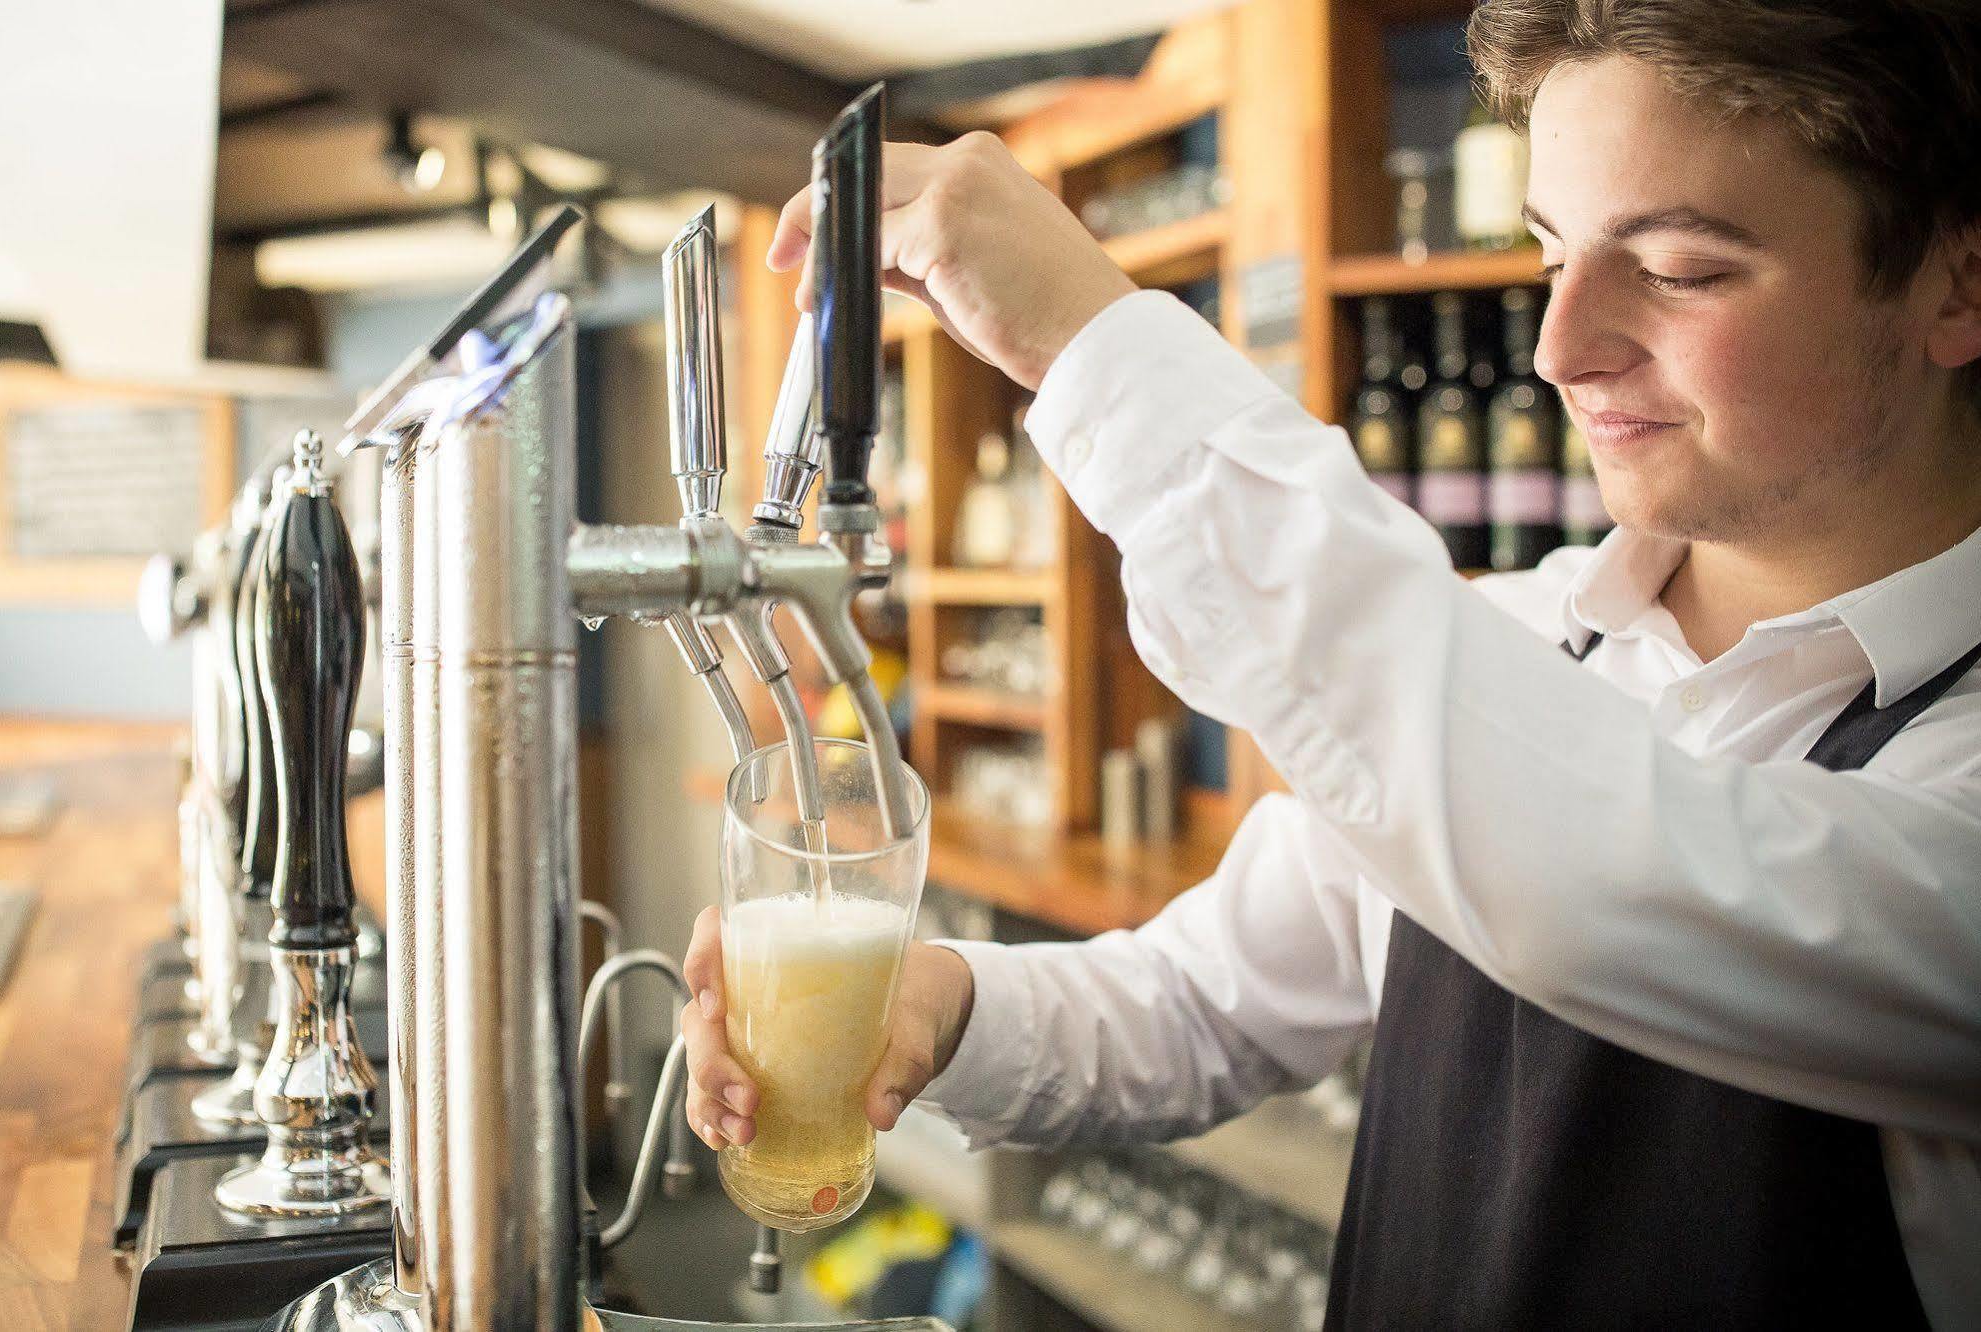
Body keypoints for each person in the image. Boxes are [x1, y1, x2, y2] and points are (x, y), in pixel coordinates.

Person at [683, 1, 1981, 1324]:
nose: (1559, 350)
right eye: (1550, 258)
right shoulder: (1526, 640)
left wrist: (1095, 344)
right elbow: (1203, 1004)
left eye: (1683, 268)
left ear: (1957, 282)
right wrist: (938, 1005)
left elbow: (1600, 875)